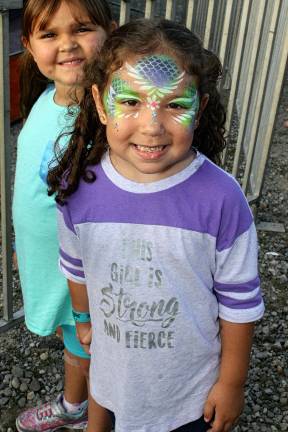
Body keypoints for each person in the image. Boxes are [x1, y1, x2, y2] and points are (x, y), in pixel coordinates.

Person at [48, 19, 265, 432]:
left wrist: (232, 383)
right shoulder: (80, 187)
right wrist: (83, 321)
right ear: (98, 102)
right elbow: (76, 267)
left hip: (189, 397)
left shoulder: (220, 198)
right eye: (129, 101)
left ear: (199, 109)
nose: (151, 125)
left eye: (175, 105)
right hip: (114, 376)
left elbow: (240, 303)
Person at [12, 1, 115, 431]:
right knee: (75, 344)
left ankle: (97, 420)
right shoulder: (43, 99)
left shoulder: (106, 116)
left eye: (83, 29)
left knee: (96, 353)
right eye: (49, 34)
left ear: (110, 32)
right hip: (48, 262)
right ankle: (74, 406)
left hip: (83, 275)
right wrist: (21, 247)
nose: (68, 45)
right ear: (29, 45)